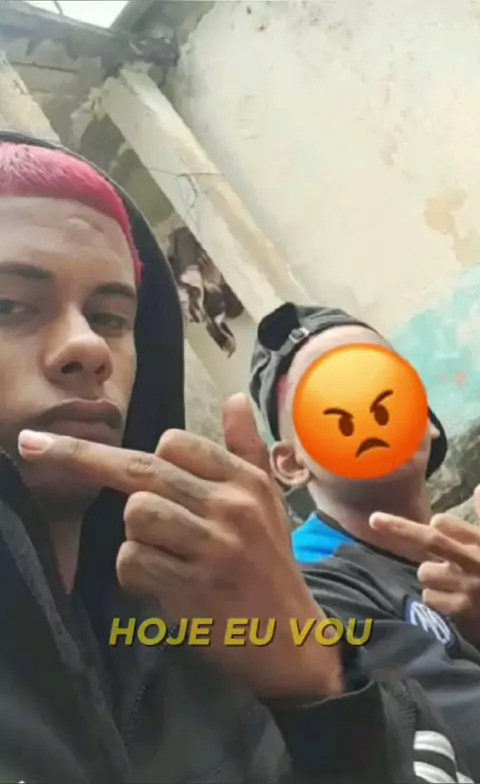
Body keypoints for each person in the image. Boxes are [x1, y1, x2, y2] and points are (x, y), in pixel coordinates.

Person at [0, 133, 470, 784]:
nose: (88, 346)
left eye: (111, 318)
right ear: (287, 461)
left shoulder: (224, 636)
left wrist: (320, 686)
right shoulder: (307, 590)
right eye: (8, 306)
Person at [250, 301, 480, 781]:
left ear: (427, 419)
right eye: (328, 396)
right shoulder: (313, 596)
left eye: (383, 382)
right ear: (290, 463)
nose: (363, 404)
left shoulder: (461, 558)